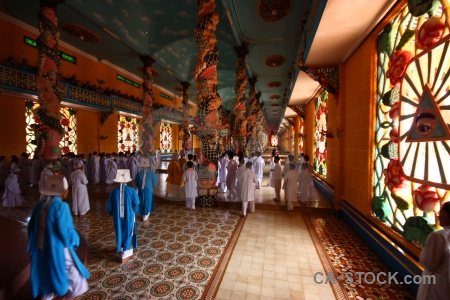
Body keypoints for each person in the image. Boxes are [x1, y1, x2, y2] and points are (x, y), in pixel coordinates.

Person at [27, 175, 90, 299]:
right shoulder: (61, 207)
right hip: (58, 249)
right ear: (63, 191)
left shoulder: (38, 207)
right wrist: (75, 241)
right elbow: (66, 231)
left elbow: (30, 229)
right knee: (79, 283)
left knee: (46, 281)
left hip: (40, 249)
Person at [416, 202, 450, 299]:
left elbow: (427, 263)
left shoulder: (438, 236)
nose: (438, 216)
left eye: (441, 213)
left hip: (435, 285)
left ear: (448, 216)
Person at [106, 169, 140, 262]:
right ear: (127, 180)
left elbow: (108, 207)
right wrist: (133, 211)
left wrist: (115, 214)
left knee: (119, 231)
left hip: (117, 217)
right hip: (129, 216)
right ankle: (125, 254)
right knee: (129, 232)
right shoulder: (132, 191)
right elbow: (136, 204)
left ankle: (120, 248)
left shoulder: (114, 192)